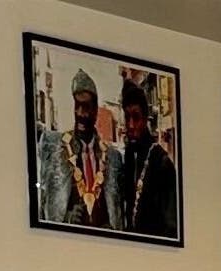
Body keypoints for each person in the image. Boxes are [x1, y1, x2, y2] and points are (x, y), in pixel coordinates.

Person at [35, 67, 113, 229]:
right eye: (77, 106)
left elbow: (116, 215)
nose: (80, 113)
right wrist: (69, 218)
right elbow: (46, 211)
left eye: (86, 107)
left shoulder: (112, 157)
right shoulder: (57, 149)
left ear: (96, 110)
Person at [116, 76, 179, 239]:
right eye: (127, 117)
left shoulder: (161, 163)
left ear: (145, 119)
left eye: (136, 118)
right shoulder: (129, 157)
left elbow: (172, 227)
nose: (131, 125)